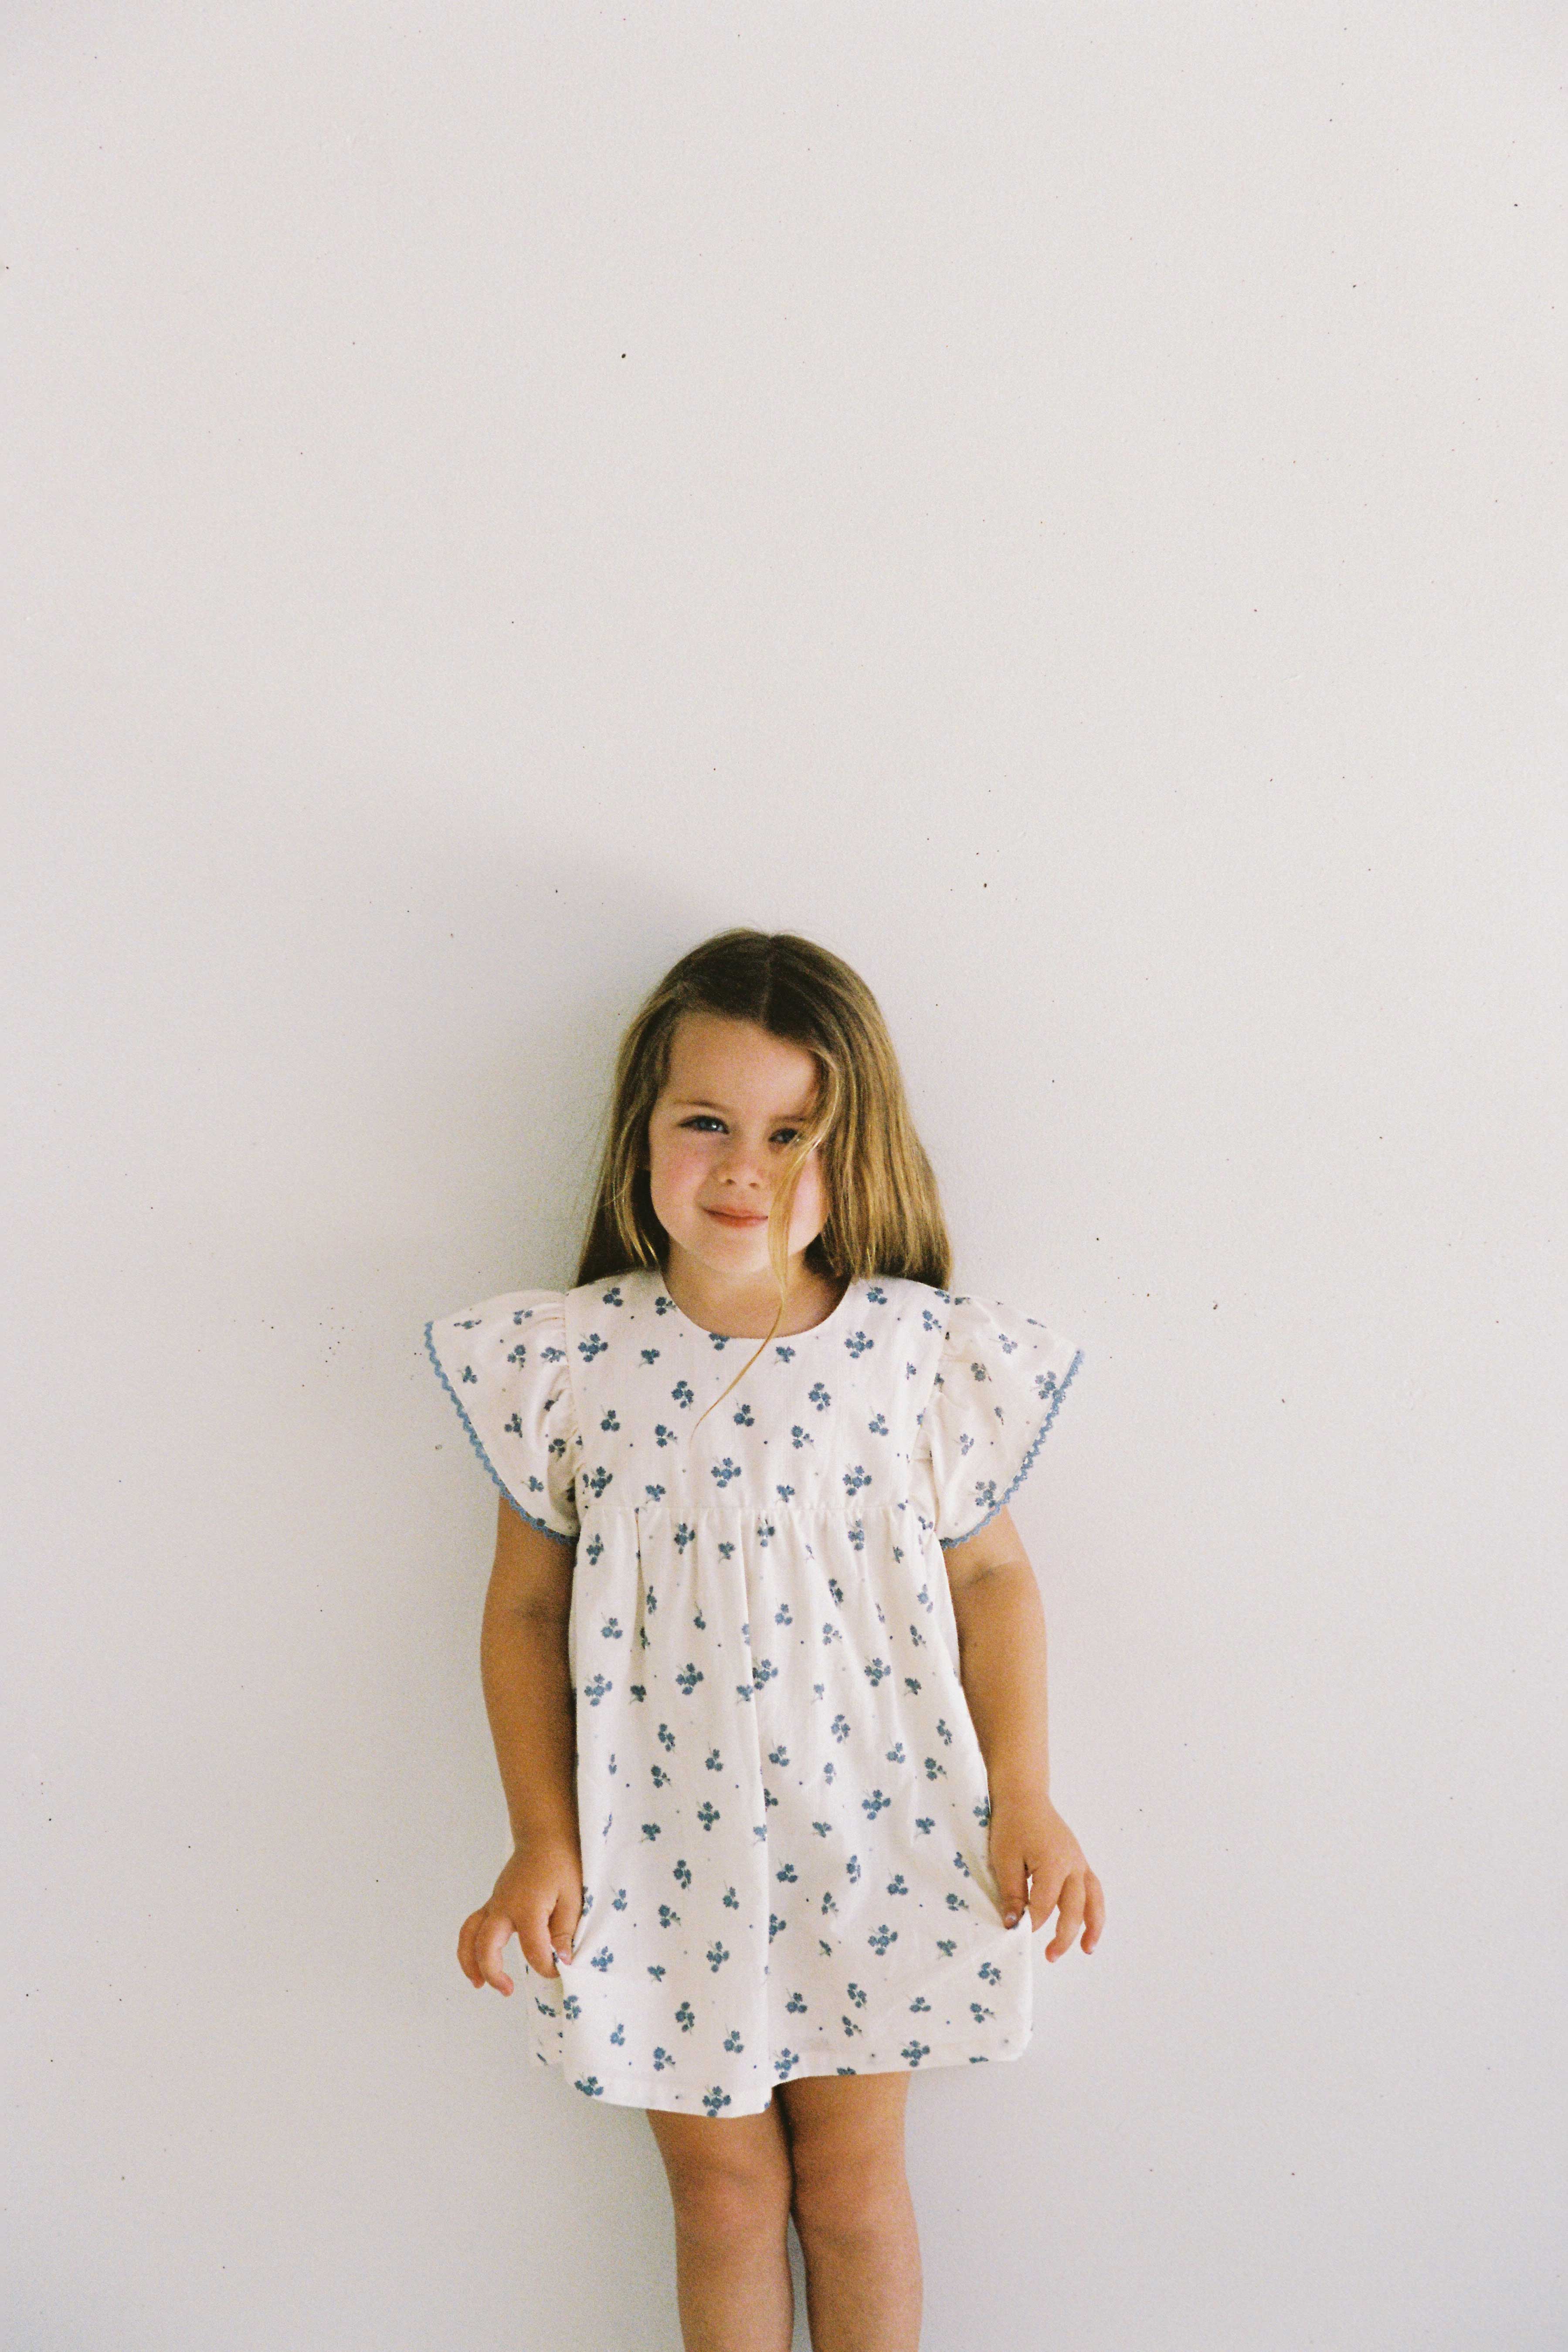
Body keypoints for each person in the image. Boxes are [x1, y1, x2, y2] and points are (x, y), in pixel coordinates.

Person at [423, 927, 1104, 2352]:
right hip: (660, 1852)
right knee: (725, 2197)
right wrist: (542, 1836)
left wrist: (1026, 1796)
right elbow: (526, 1613)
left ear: (854, 1151)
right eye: (709, 1124)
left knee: (853, 2191)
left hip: (873, 1833)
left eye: (794, 1132)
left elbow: (994, 1588)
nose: (747, 1167)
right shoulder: (576, 1363)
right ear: (645, 1134)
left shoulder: (915, 1357)